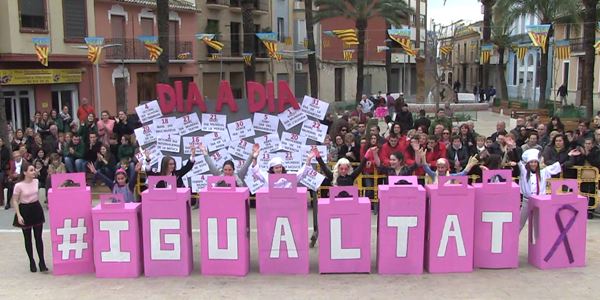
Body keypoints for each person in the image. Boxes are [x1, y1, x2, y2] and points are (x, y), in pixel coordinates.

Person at [11, 162, 48, 273]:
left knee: (38, 238)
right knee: (28, 239)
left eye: (34, 170)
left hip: (36, 208)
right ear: (25, 172)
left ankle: (42, 262)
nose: (34, 172)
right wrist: (18, 215)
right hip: (25, 210)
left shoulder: (36, 181)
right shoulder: (19, 185)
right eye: (31, 170)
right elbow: (15, 200)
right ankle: (31, 261)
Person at [517, 149, 562, 231]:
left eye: (535, 162)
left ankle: (538, 243)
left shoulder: (544, 172)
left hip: (540, 201)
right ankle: (513, 242)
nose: (533, 164)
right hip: (527, 200)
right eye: (531, 162)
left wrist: (569, 155)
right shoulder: (524, 171)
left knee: (538, 225)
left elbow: (557, 165)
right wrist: (513, 148)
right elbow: (518, 160)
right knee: (520, 223)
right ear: (528, 163)